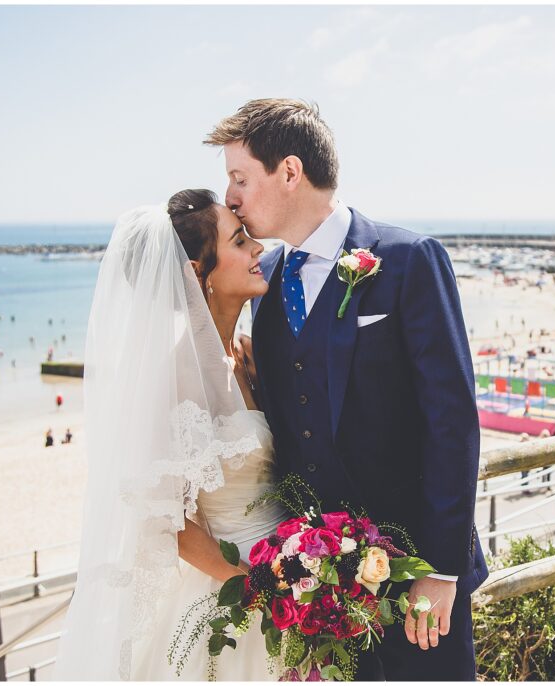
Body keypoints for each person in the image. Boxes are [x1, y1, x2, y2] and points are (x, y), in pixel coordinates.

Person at [209, 98, 488, 681]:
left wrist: (440, 569)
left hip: (417, 577)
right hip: (317, 592)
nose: (231, 196)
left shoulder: (409, 260)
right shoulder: (272, 284)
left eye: (239, 178)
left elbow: (452, 423)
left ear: (289, 172)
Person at [55, 191, 285, 680]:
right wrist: (255, 589)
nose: (258, 249)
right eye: (240, 241)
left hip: (291, 571)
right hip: (235, 590)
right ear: (195, 273)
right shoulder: (173, 376)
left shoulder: (247, 351)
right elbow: (166, 522)